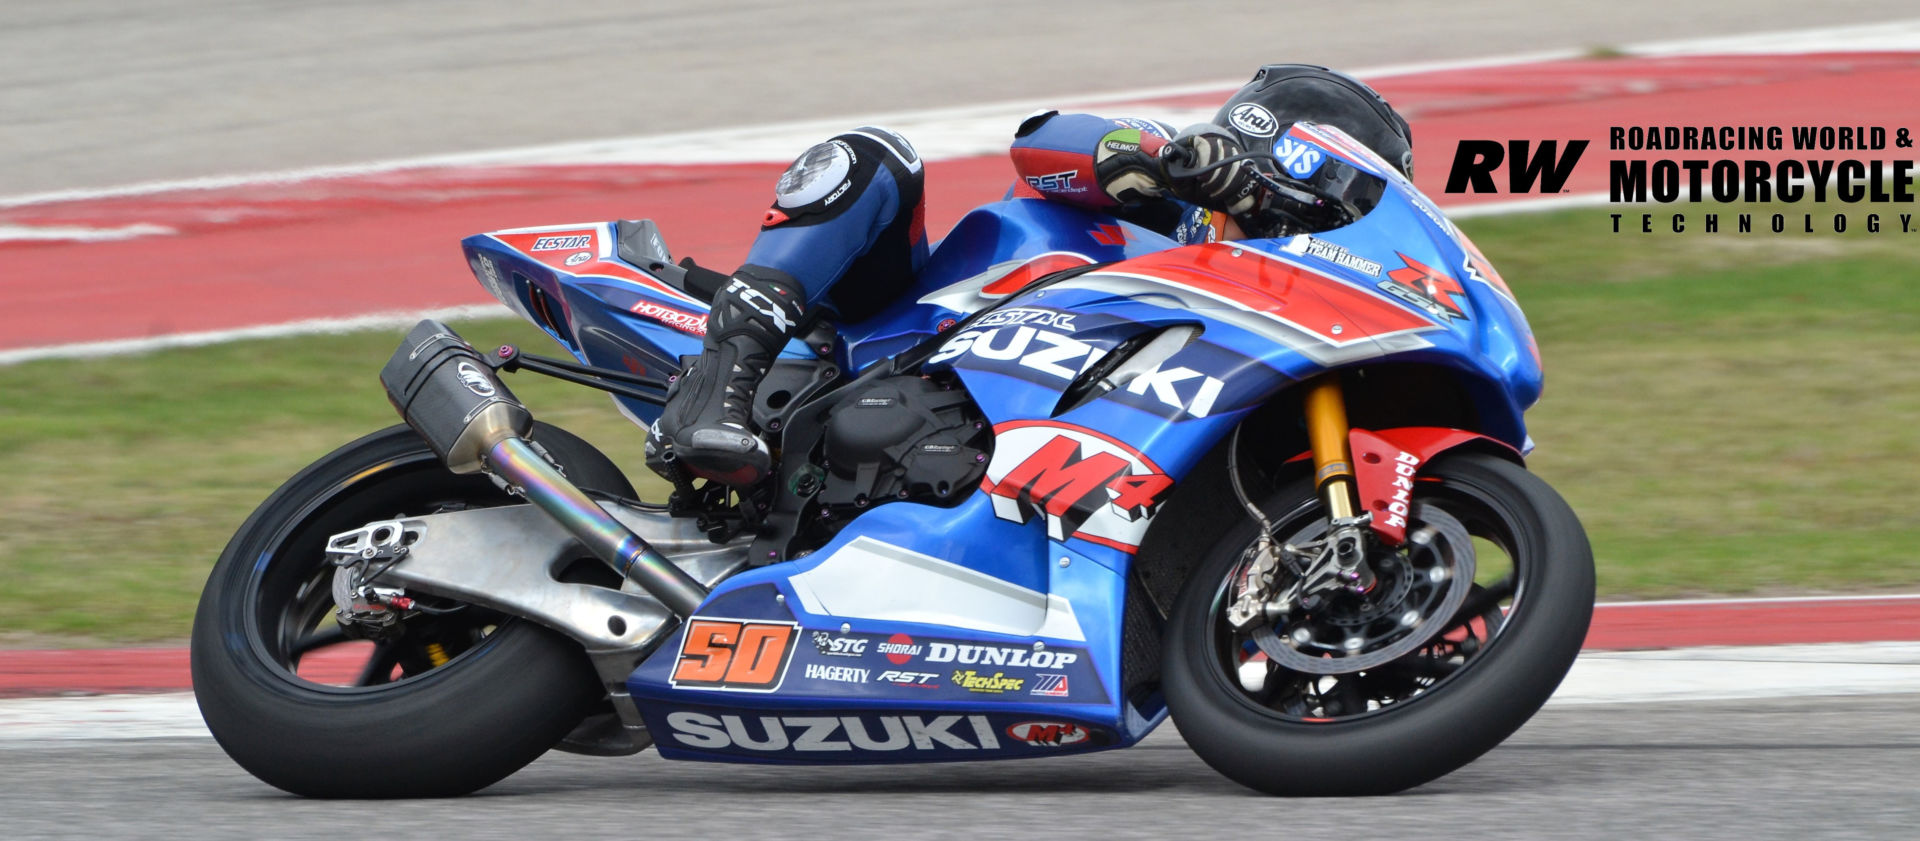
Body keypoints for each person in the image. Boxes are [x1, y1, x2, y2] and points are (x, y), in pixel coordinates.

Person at [648, 64, 1415, 488]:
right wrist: (1168, 162)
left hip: (1025, 441)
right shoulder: (1174, 187)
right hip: (890, 334)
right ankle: (722, 384)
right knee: (876, 155)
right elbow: (1041, 141)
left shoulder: (1274, 316)